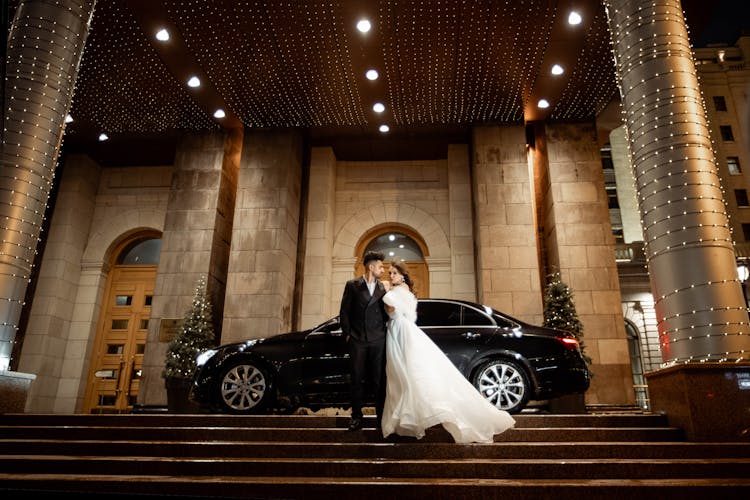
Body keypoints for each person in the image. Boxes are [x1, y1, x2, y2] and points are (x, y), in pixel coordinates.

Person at [381, 261, 516, 443]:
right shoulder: (405, 291)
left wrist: (385, 291)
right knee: (408, 375)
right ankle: (411, 414)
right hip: (403, 331)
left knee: (407, 374)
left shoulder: (397, 291)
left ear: (402, 275)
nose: (391, 276)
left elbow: (391, 309)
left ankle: (414, 415)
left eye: (394, 273)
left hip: (401, 333)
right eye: (389, 273)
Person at [339, 251, 389, 431]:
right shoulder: (352, 285)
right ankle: (356, 416)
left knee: (378, 380)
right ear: (371, 266)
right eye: (380, 266)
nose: (383, 269)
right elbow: (344, 312)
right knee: (356, 378)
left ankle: (381, 418)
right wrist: (347, 334)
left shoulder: (383, 288)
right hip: (358, 339)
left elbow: (387, 312)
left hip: (378, 339)